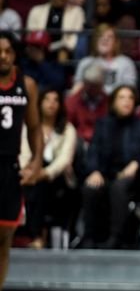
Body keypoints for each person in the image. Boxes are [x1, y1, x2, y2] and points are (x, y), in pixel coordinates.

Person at [0, 32, 43, 291]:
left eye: (7, 51)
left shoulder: (26, 85)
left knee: (4, 242)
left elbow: (35, 127)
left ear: (15, 54)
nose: (2, 56)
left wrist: (36, 162)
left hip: (9, 170)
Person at [82, 85, 140, 249]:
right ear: (113, 102)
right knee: (91, 187)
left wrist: (137, 164)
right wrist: (94, 171)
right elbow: (94, 151)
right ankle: (90, 236)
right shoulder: (103, 124)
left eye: (130, 98)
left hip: (133, 176)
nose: (126, 102)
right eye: (122, 97)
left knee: (119, 187)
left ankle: (116, 237)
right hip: (106, 174)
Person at [19, 89, 78, 250]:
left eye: (55, 100)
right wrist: (28, 170)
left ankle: (36, 235)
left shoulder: (68, 129)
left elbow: (64, 160)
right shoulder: (29, 126)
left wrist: (45, 173)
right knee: (34, 186)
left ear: (60, 105)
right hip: (31, 174)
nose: (51, 104)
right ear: (39, 103)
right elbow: (23, 152)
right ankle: (34, 235)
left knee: (40, 185)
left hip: (57, 178)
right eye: (47, 99)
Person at [72, 24, 138, 96]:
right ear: (95, 40)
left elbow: (129, 91)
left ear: (115, 43)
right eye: (101, 36)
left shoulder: (126, 63)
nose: (105, 39)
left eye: (109, 37)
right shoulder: (85, 63)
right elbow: (76, 91)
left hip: (114, 105)